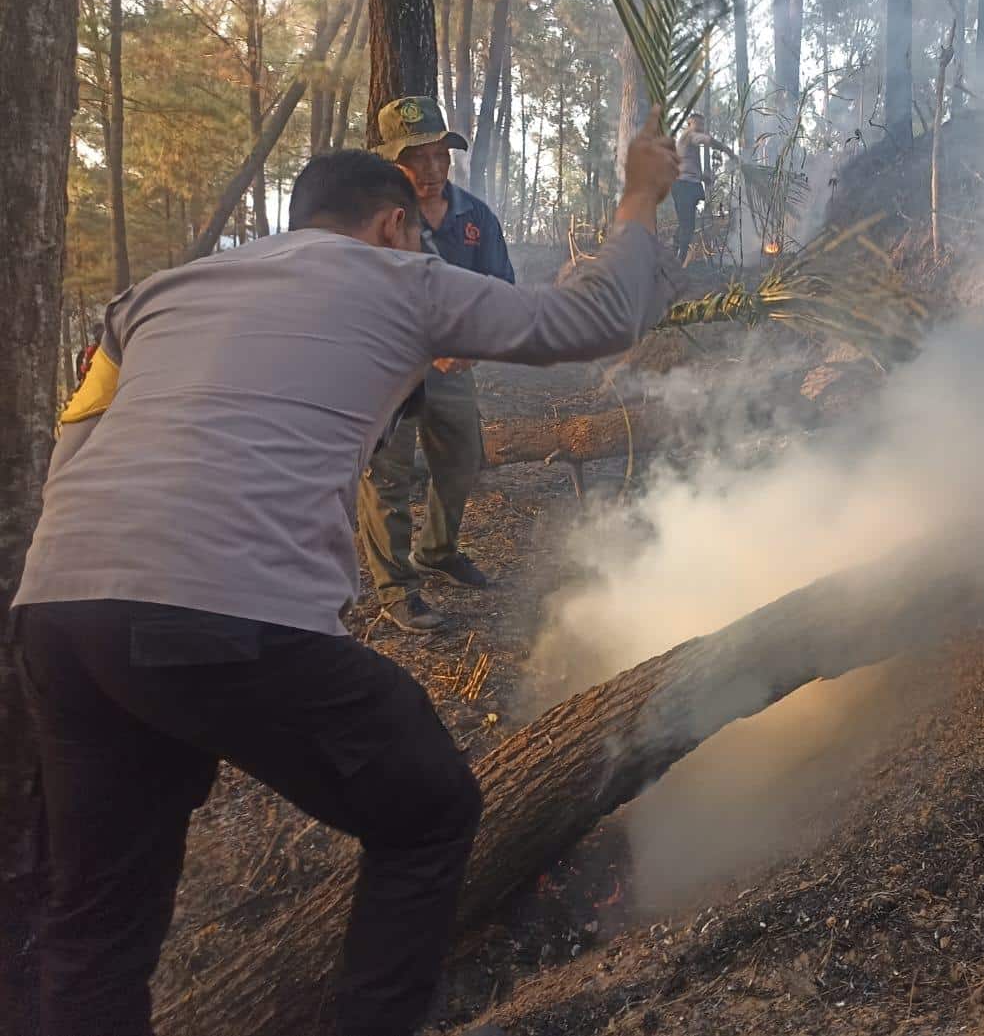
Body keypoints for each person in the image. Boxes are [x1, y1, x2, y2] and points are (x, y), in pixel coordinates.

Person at [11, 115, 681, 1036]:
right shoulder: (399, 276)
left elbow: (77, 436)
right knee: (431, 810)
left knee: (93, 921)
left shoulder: (158, 292)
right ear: (391, 226)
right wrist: (640, 193)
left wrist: (92, 566)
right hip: (226, 614)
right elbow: (595, 318)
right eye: (419, 233)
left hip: (59, 610)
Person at [359, 96, 514, 633]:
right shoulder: (371, 225)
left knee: (461, 458)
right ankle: (396, 588)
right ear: (390, 163)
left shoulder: (474, 217)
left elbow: (499, 288)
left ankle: (438, 551)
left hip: (453, 369)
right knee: (389, 478)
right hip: (391, 373)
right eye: (415, 158)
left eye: (439, 155)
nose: (430, 170)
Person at [670, 112, 734, 266]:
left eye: (702, 124)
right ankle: (678, 261)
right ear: (689, 123)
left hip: (685, 185)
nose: (700, 127)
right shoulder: (690, 136)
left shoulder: (687, 141)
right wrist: (727, 150)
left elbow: (688, 166)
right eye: (697, 123)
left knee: (686, 224)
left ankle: (674, 255)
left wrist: (703, 177)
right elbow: (707, 140)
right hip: (685, 186)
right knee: (688, 226)